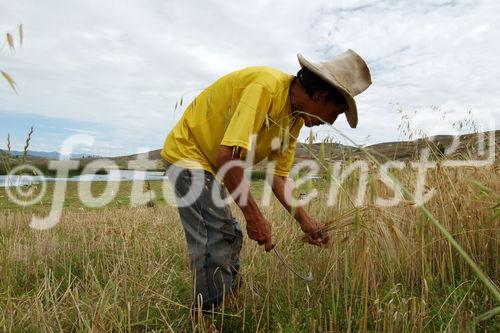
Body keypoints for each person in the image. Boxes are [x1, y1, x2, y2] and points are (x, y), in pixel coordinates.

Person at [161, 49, 372, 311]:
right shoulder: (265, 88)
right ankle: (207, 316)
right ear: (319, 96)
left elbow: (278, 176)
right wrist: (255, 218)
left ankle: (228, 299)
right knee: (214, 236)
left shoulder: (295, 119)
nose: (330, 122)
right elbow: (228, 158)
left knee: (230, 233)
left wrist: (306, 222)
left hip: (209, 163)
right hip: (187, 153)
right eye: (336, 113)